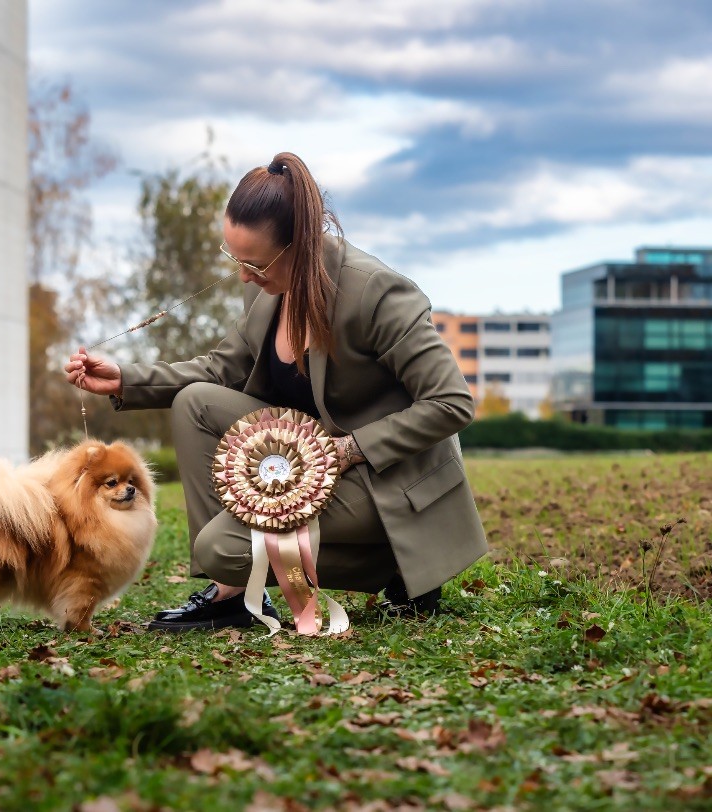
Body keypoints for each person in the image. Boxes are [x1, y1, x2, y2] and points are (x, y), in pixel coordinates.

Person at [65, 151, 488, 632]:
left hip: (385, 478)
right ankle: (231, 596)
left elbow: (451, 402)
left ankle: (396, 565)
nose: (244, 276)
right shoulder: (268, 286)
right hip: (309, 464)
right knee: (195, 403)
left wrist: (349, 450)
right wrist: (125, 378)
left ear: (299, 246)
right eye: (234, 259)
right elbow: (221, 369)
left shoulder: (377, 293)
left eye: (255, 263)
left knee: (222, 546)